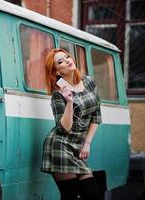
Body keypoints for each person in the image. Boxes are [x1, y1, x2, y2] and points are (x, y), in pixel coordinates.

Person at [41, 48, 103, 200]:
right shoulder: (57, 95)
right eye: (60, 61)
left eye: (67, 56)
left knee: (93, 195)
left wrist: (87, 143)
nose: (68, 60)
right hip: (60, 146)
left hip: (78, 145)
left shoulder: (89, 82)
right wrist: (69, 101)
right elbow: (64, 128)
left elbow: (96, 115)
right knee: (70, 195)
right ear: (56, 72)